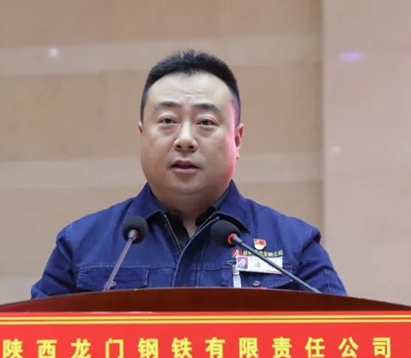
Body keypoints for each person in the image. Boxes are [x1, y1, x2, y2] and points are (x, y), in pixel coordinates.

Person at [31, 50, 347, 298]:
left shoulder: (295, 245)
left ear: (237, 140)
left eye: (205, 122)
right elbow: (34, 345)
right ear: (142, 135)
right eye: (167, 121)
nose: (185, 139)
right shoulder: (81, 245)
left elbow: (344, 342)